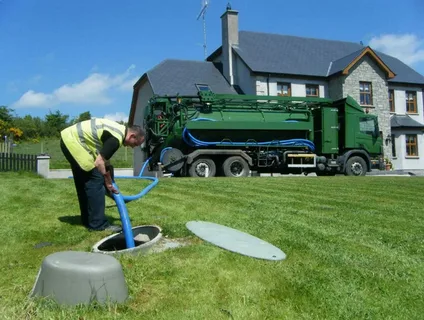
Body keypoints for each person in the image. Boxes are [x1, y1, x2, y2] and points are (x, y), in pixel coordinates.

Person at [60, 118, 145, 232]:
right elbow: (99, 162)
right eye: (135, 144)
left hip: (68, 139)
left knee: (84, 182)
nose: (133, 147)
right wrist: (107, 181)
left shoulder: (117, 131)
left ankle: (88, 220)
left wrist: (109, 181)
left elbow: (105, 160)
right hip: (74, 141)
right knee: (95, 180)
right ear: (132, 136)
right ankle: (98, 225)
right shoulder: (116, 138)